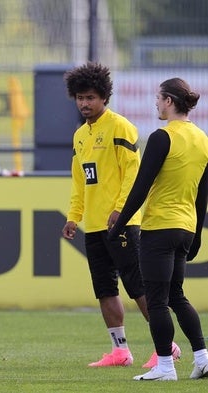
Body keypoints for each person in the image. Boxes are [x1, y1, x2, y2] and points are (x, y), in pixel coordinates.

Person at [61, 62, 180, 368]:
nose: (85, 103)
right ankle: (120, 350)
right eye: (80, 97)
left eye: (90, 97)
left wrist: (121, 211)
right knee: (104, 288)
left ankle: (167, 347)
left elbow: (133, 173)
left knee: (138, 286)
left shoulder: (120, 127)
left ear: (104, 97)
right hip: (95, 225)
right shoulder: (80, 136)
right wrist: (74, 216)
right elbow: (81, 182)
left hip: (122, 223)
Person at [108, 77, 208, 381]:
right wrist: (198, 234)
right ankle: (203, 359)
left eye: (158, 97)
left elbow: (141, 186)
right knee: (176, 295)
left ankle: (165, 366)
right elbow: (203, 193)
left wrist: (119, 225)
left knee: (157, 299)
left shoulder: (162, 137)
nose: (155, 103)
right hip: (186, 226)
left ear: (169, 101)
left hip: (160, 227)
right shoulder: (202, 138)